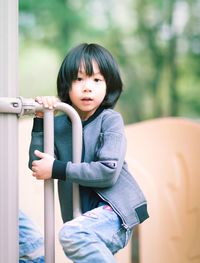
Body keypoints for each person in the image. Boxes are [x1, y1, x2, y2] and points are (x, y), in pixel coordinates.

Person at [29, 43, 149, 262]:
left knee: (73, 234)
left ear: (108, 86)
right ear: (67, 86)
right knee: (75, 236)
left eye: (97, 80)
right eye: (79, 79)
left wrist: (58, 168)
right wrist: (40, 119)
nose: (87, 87)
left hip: (115, 211)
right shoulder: (59, 125)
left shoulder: (110, 120)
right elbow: (37, 164)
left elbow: (108, 171)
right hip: (81, 217)